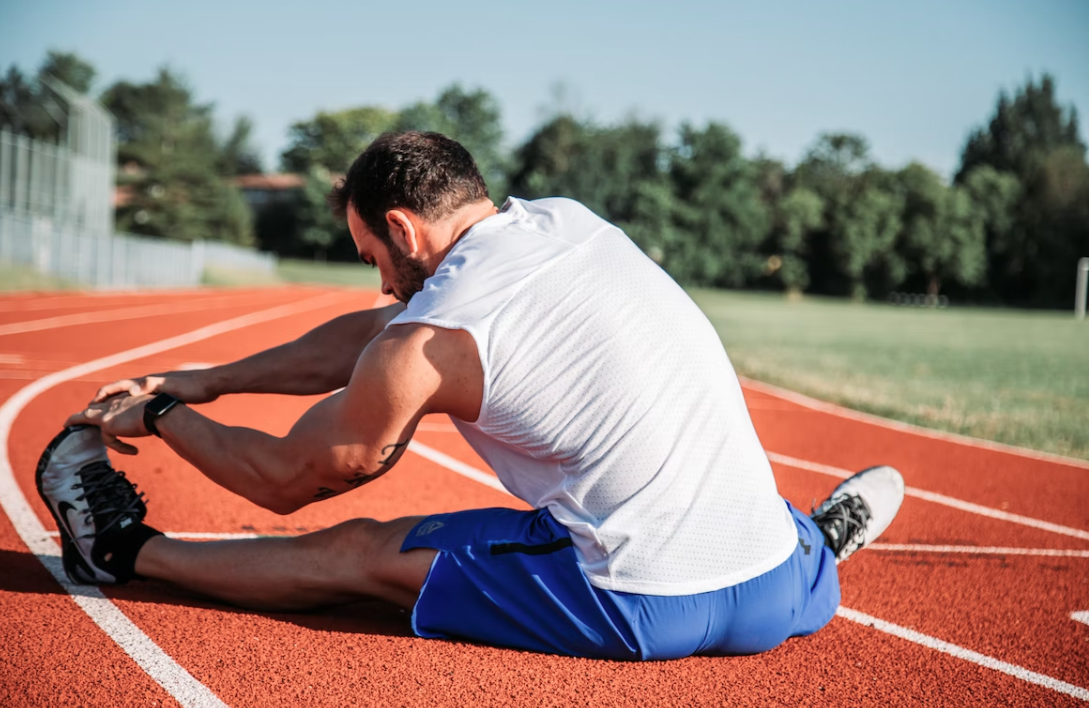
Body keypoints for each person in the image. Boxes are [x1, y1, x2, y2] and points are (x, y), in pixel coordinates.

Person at [38, 131, 904, 660]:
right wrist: (209, 380)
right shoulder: (565, 222)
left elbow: (286, 477)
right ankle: (816, 545)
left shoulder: (425, 341)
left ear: (404, 230)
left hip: (637, 600)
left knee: (355, 554)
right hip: (773, 592)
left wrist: (161, 413)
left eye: (371, 257)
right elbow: (380, 335)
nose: (377, 283)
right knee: (710, 471)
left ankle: (120, 553)